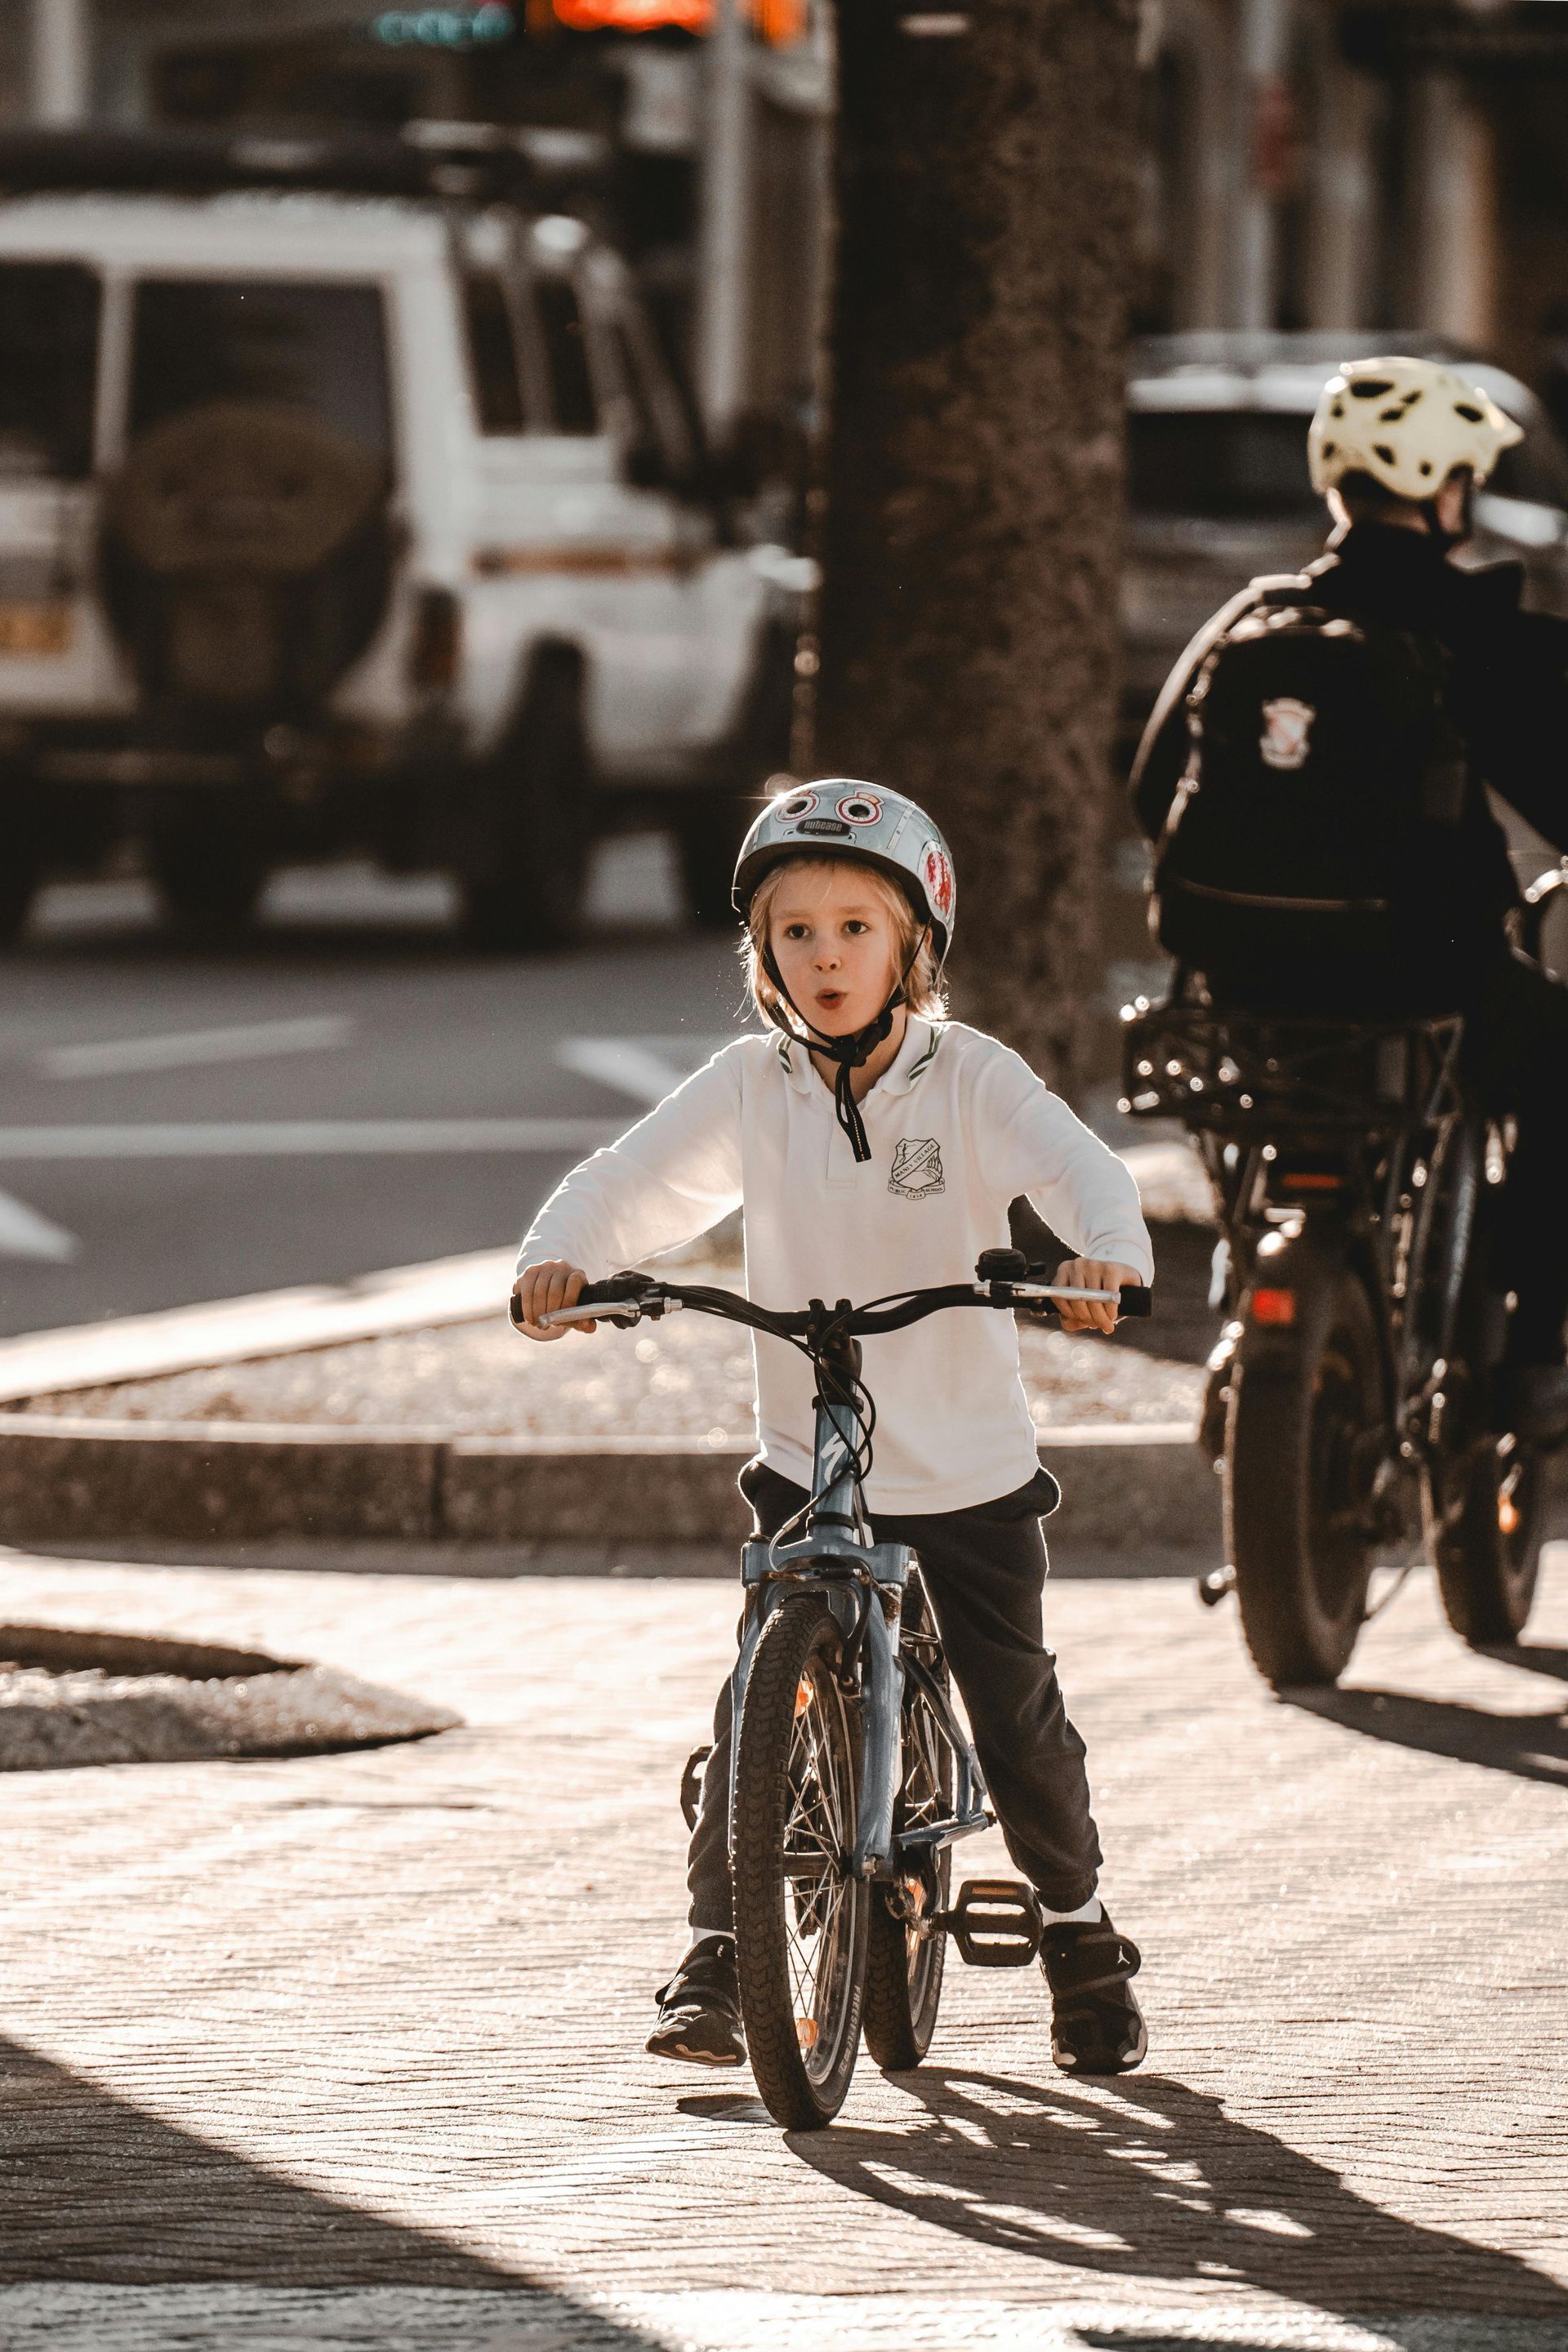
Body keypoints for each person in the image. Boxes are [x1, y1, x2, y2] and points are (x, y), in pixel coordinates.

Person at [513, 782, 1153, 2077]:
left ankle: (1080, 1941)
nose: (825, 956)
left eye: (856, 927)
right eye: (794, 933)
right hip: (813, 1463)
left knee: (1016, 1712)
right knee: (756, 1694)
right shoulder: (752, 1086)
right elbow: (632, 1183)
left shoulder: (968, 1076)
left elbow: (1082, 1170)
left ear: (914, 944)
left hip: (967, 1469)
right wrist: (559, 1260)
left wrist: (1104, 1257)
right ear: (762, 957)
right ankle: (719, 1951)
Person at [1130, 355, 1568, 1440]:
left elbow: (1150, 794)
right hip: (1425, 979)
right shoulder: (1470, 634)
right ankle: (1523, 1365)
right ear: (1446, 490)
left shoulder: (1255, 619)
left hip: (1239, 977)